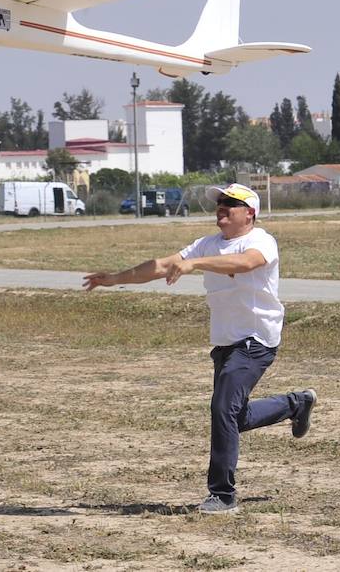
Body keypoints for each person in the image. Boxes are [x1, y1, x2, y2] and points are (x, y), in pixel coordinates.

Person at [83, 182, 317, 514]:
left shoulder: (260, 240)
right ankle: (297, 403)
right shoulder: (207, 244)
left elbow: (246, 263)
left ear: (249, 213)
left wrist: (196, 264)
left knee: (222, 410)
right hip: (224, 342)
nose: (221, 207)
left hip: (256, 340)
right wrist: (115, 278)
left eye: (230, 203)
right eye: (219, 203)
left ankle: (222, 494)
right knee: (235, 415)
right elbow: (162, 265)